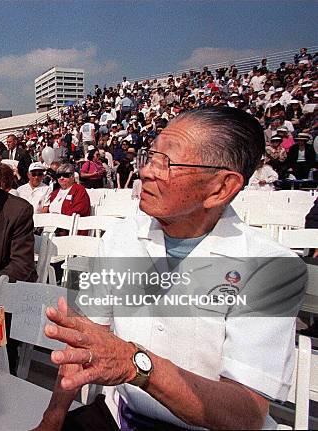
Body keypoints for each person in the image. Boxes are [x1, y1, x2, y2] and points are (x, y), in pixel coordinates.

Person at [34, 107, 306, 430]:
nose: (147, 172)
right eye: (151, 156)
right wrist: (52, 418)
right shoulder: (122, 236)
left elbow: (245, 414)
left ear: (220, 188)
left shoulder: (270, 268)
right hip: (121, 418)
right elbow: (86, 340)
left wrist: (135, 365)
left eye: (168, 163)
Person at [43, 163, 90, 235]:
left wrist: (59, 221)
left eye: (65, 175)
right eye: (58, 176)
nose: (61, 178)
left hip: (69, 230)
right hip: (51, 227)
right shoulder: (55, 192)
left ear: (72, 176)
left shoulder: (79, 190)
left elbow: (79, 209)